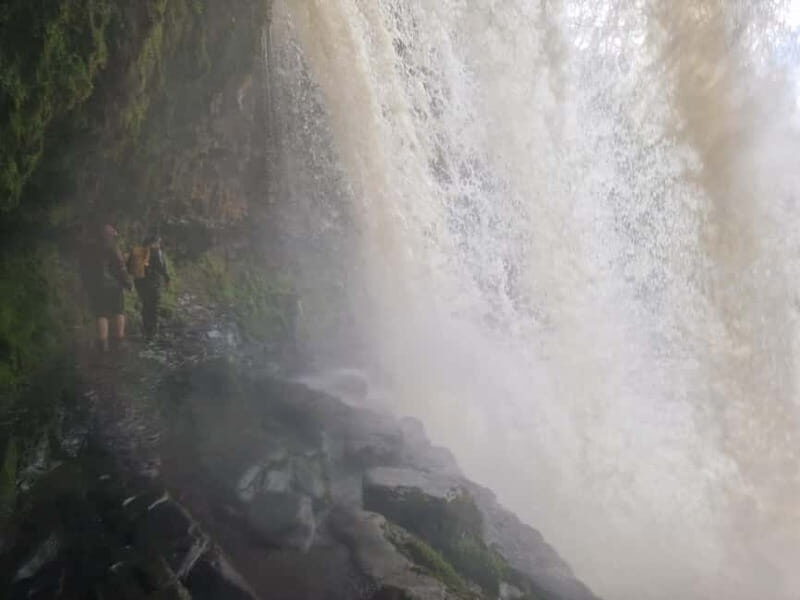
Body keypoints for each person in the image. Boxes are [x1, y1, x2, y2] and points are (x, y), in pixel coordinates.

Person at [79, 222, 132, 353]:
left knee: (101, 313)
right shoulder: (113, 247)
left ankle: (103, 344)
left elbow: (84, 268)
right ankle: (120, 341)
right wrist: (127, 283)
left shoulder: (89, 248)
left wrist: (87, 285)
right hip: (114, 286)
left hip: (97, 286)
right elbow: (120, 267)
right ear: (110, 235)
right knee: (118, 311)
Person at [128, 230, 170, 340]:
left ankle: (146, 328)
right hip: (153, 283)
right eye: (159, 241)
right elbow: (161, 267)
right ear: (154, 242)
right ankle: (152, 332)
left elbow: (129, 267)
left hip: (140, 282)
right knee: (154, 306)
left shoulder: (138, 251)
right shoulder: (155, 251)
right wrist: (167, 278)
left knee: (146, 304)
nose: (160, 244)